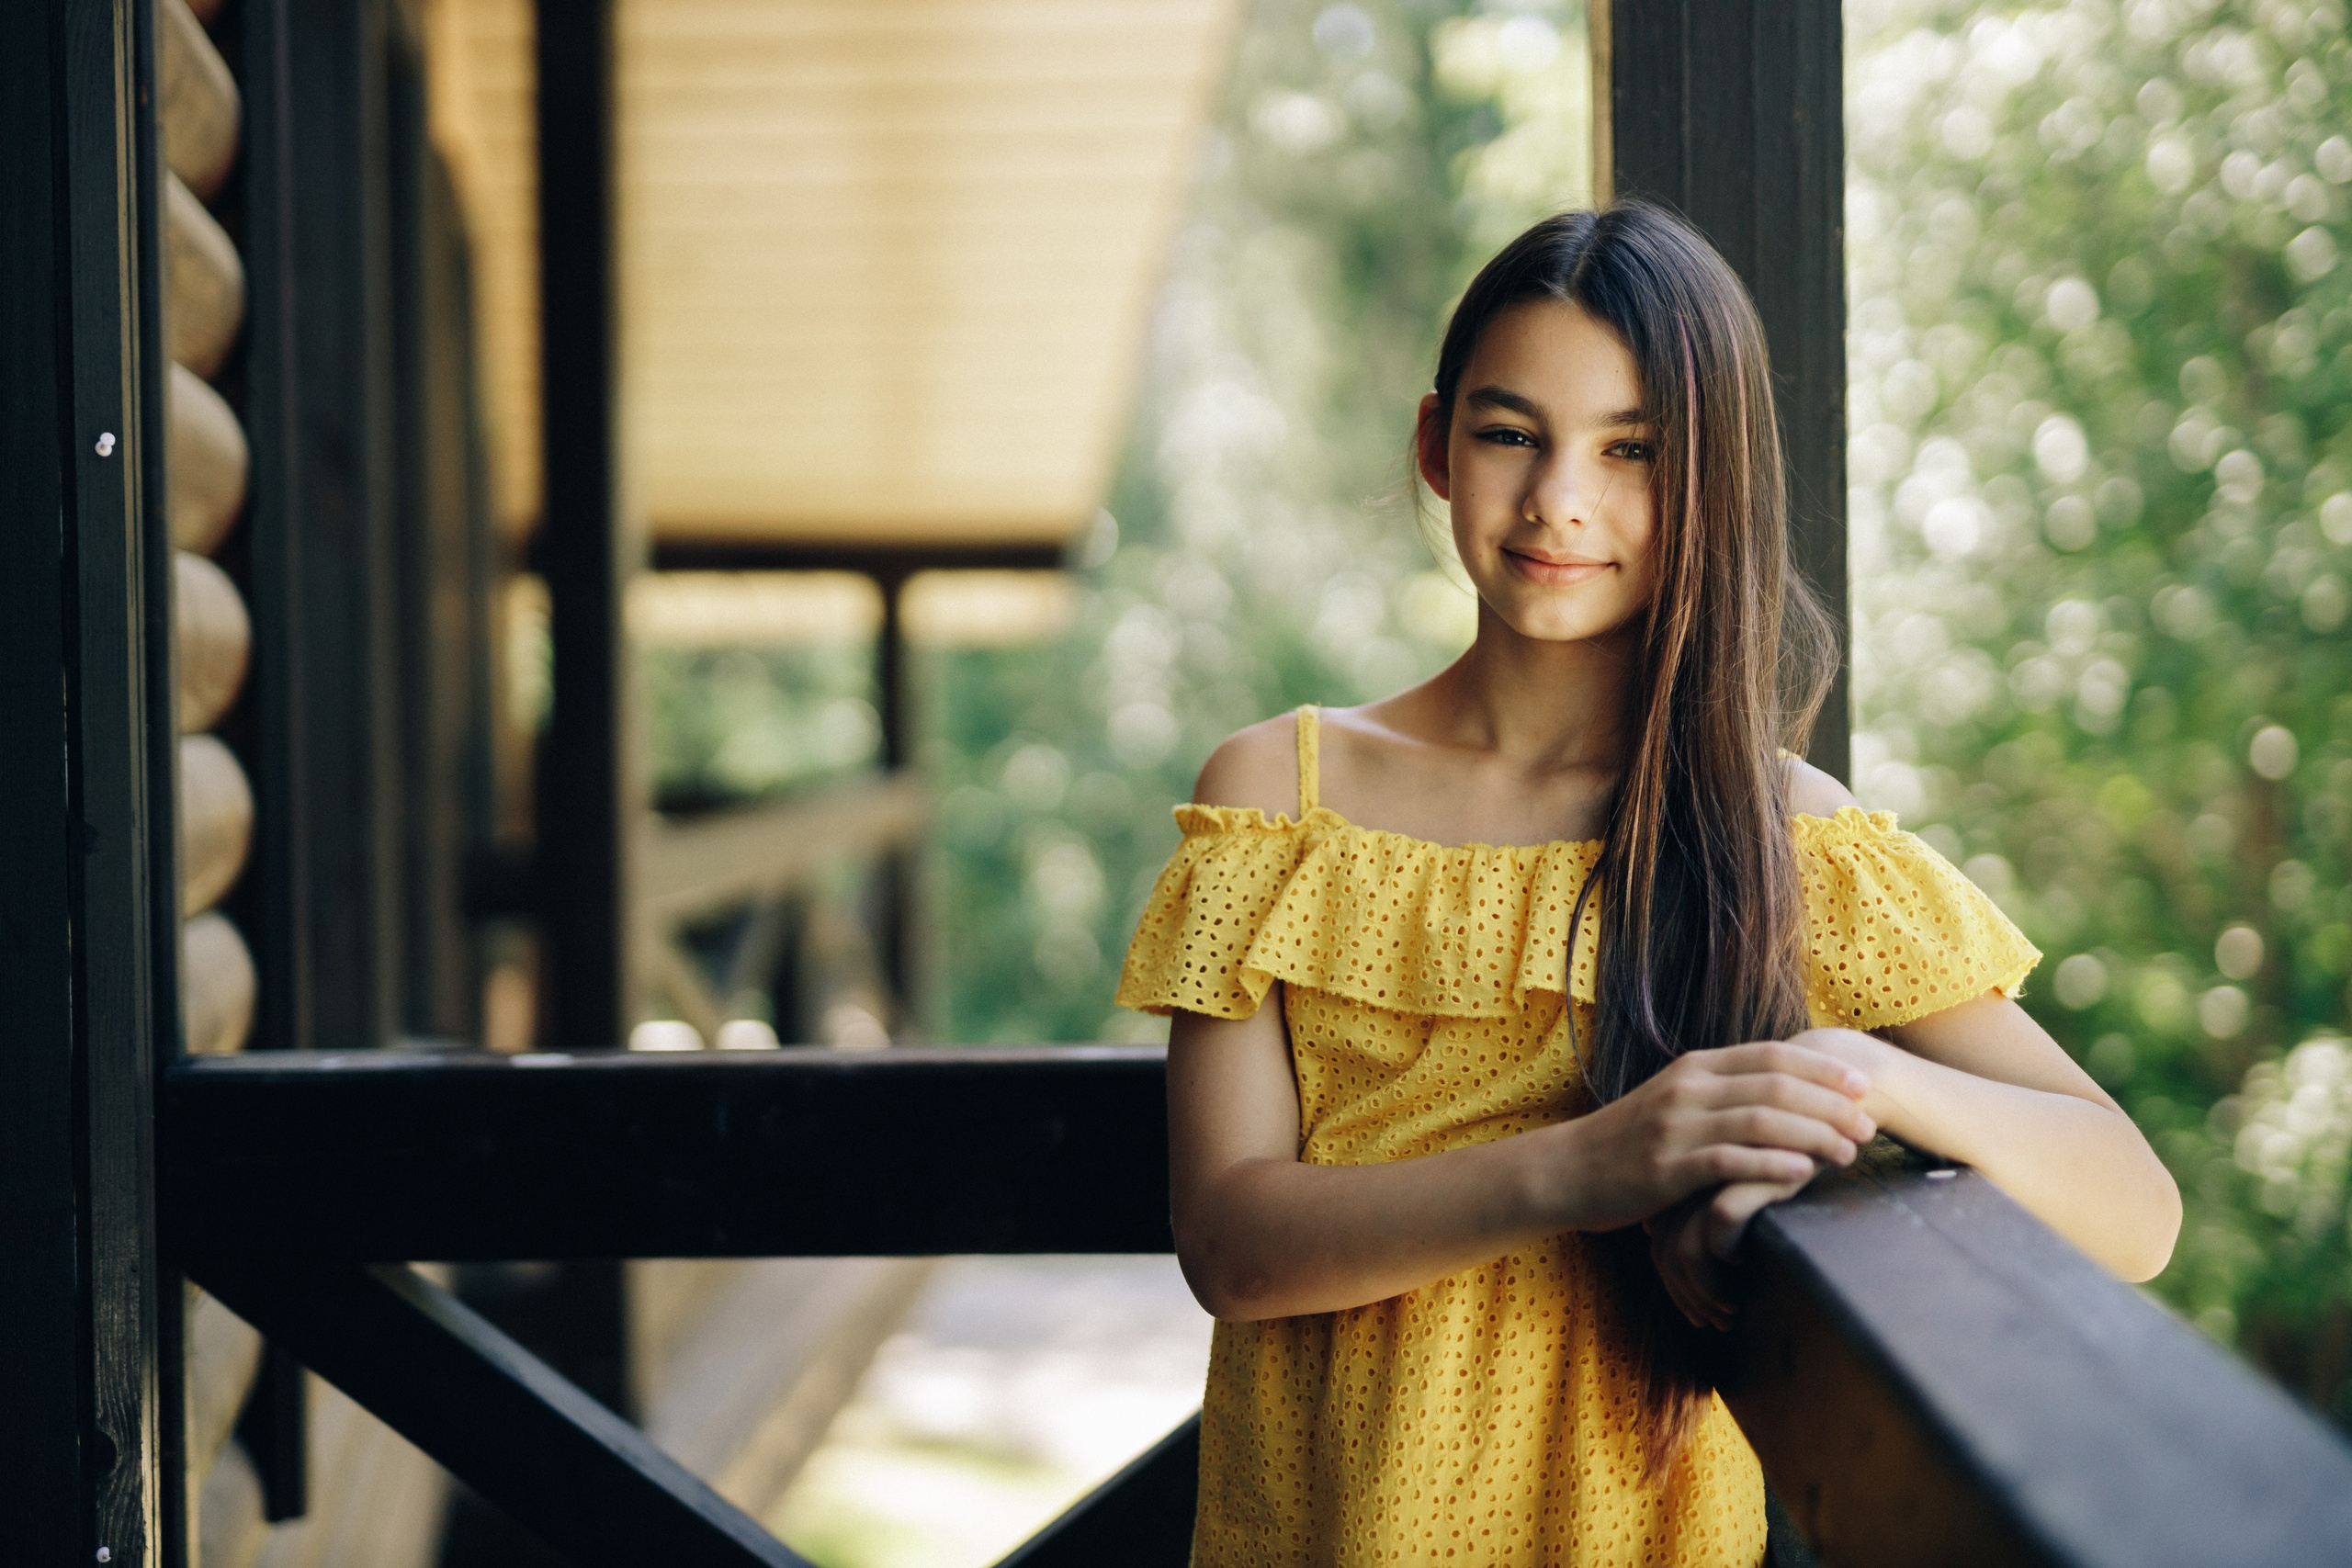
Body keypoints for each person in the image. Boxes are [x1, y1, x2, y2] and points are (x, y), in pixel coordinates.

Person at [1114, 204, 2182, 1567]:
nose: (1561, 495)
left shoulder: (1775, 832)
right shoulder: (1281, 797)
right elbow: (1233, 1245)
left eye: (1634, 452)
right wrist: (1597, 1164)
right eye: (1513, 434)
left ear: (1711, 483)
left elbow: (2135, 1208)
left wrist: (1858, 1076)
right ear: (1436, 446)